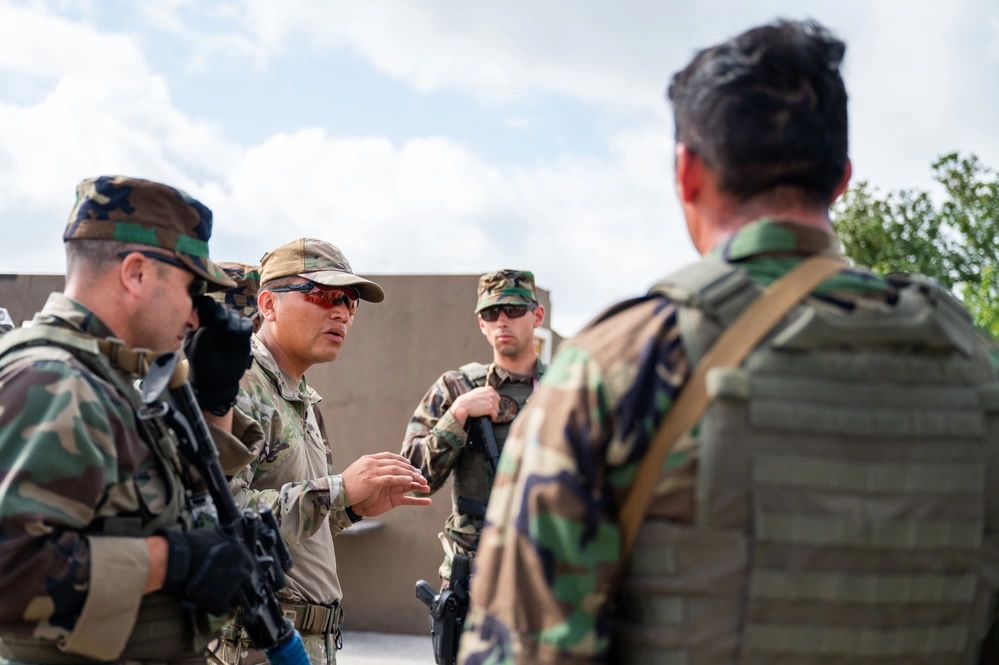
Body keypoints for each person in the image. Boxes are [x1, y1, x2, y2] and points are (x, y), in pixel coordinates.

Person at [458, 19, 999, 665]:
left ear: (686, 173)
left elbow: (523, 648)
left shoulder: (613, 366)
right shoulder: (973, 364)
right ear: (841, 178)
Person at [0, 176, 259, 665]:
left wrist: (215, 396)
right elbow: (10, 569)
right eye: (192, 288)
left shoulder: (104, 378)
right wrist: (172, 562)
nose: (195, 315)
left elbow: (167, 495)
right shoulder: (54, 382)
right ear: (136, 273)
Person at [214, 237, 433, 665]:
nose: (340, 312)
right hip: (252, 645)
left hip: (308, 643)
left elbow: (289, 534)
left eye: (350, 302)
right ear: (268, 304)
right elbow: (221, 521)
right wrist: (337, 490)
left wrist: (351, 507)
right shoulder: (236, 384)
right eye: (321, 294)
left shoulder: (302, 399)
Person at [402, 269, 547, 584]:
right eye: (491, 313)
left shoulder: (567, 387)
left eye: (513, 310)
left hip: (549, 570)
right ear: (481, 324)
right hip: (475, 574)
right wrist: (458, 415)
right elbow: (414, 477)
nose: (502, 321)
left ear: (537, 316)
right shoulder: (457, 386)